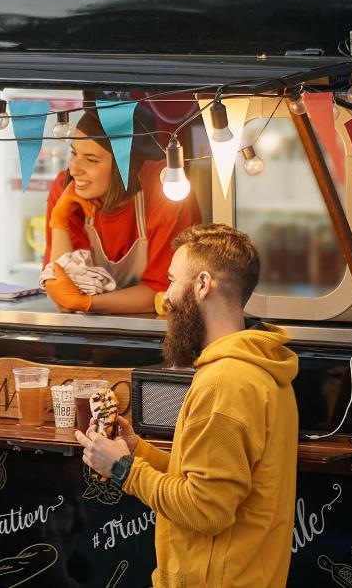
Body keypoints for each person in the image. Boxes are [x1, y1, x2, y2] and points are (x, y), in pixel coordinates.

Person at [76, 223, 299, 588]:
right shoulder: (258, 367)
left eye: (171, 280)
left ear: (202, 284)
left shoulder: (227, 383)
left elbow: (206, 509)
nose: (165, 297)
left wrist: (121, 468)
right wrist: (138, 451)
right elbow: (212, 479)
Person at [41, 108, 202, 314]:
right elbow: (63, 291)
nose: (74, 169)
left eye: (91, 160)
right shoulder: (66, 190)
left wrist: (87, 304)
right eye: (74, 153)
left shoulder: (167, 189)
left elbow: (168, 292)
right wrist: (59, 221)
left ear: (125, 167)